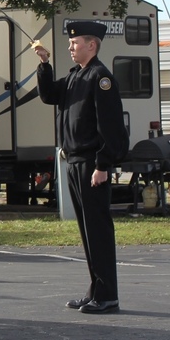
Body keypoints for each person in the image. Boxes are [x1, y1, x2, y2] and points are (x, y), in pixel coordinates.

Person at [34, 21, 129, 314]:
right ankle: (96, 291)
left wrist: (103, 165)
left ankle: (107, 295)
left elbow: (111, 128)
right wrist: (44, 65)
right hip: (74, 162)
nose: (70, 47)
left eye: (75, 43)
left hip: (91, 164)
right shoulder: (77, 75)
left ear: (92, 45)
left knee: (98, 230)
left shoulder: (100, 78)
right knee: (87, 231)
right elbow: (50, 95)